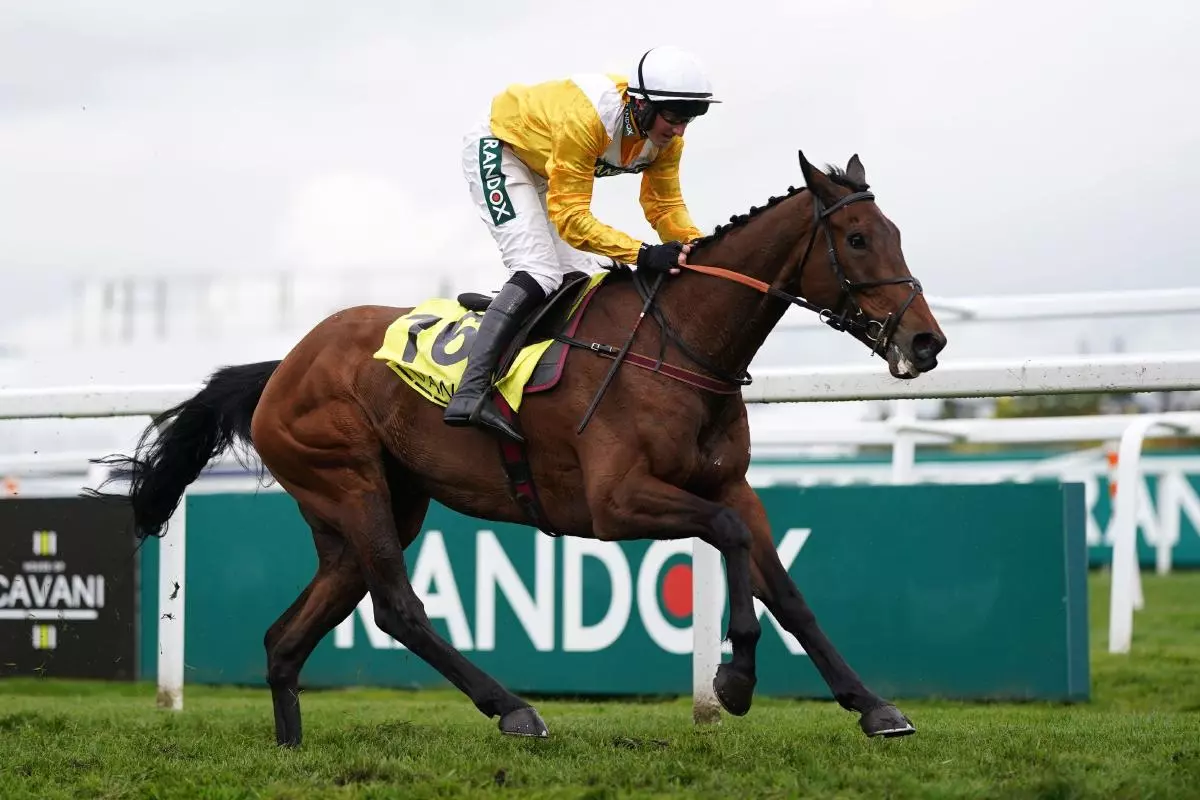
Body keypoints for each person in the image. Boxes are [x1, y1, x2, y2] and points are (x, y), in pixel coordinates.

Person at [444, 45, 720, 442]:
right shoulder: (587, 118)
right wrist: (644, 254)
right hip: (501, 149)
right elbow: (572, 219)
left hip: (547, 167)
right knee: (539, 270)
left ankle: (515, 319)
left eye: (688, 120)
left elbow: (664, 205)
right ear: (640, 105)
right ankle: (469, 391)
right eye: (674, 118)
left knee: (585, 276)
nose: (679, 131)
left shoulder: (667, 141)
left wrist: (698, 249)